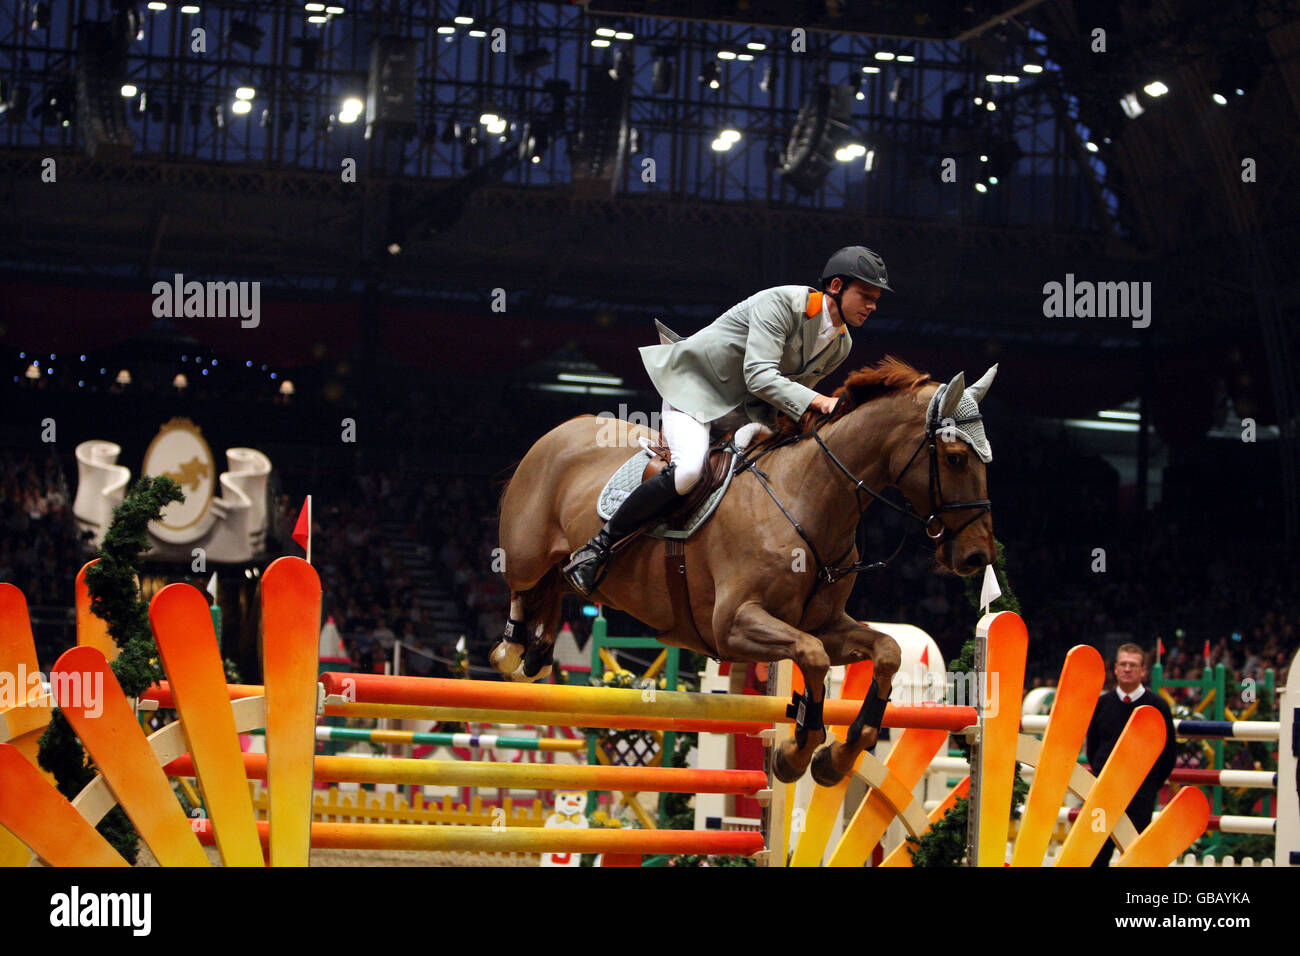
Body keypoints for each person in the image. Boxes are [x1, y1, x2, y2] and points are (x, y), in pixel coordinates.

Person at [562, 245, 892, 595]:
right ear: (837, 287)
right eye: (866, 296)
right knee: (689, 470)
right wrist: (821, 402)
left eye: (876, 299)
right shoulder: (781, 303)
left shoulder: (841, 344)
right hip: (696, 391)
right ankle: (596, 548)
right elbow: (759, 377)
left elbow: (787, 396)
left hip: (745, 413)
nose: (872, 306)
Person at [1085, 643, 1178, 866]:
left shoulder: (1158, 707)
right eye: (1123, 664)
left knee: (1136, 858)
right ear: (1115, 669)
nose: (1128, 669)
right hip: (1103, 793)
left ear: (1143, 671)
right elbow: (1093, 749)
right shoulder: (1101, 704)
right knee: (1095, 857)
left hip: (1140, 797)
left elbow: (1168, 755)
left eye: (1133, 665)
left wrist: (1147, 785)